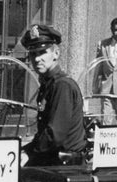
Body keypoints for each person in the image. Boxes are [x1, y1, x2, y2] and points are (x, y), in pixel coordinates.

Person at [21, 24, 86, 166]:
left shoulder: (62, 86)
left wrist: (29, 153)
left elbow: (54, 135)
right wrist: (24, 150)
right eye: (33, 54)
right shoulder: (49, 84)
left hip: (64, 164)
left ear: (56, 54)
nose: (37, 59)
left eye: (42, 52)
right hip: (52, 158)